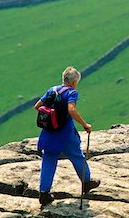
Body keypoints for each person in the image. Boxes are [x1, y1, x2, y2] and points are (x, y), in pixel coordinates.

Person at [34, 66, 100, 207]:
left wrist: (52, 116)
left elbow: (37, 106)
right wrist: (84, 124)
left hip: (49, 133)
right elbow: (71, 109)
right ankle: (86, 183)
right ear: (74, 82)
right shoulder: (72, 92)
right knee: (76, 156)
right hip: (65, 133)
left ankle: (44, 194)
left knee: (49, 160)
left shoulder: (52, 90)